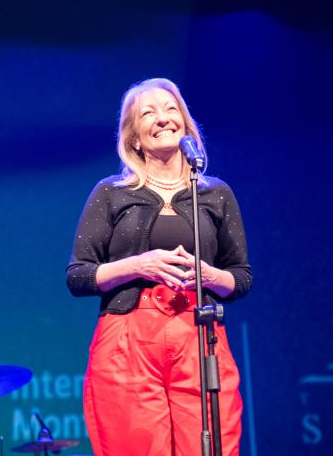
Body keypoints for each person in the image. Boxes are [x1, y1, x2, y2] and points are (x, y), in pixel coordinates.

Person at [66, 77, 253, 456]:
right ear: (134, 137)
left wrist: (210, 275)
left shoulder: (215, 193)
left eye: (171, 110)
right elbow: (79, 275)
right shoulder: (112, 192)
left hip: (199, 333)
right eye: (148, 112)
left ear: (185, 125)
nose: (163, 118)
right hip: (129, 335)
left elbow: (241, 277)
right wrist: (138, 264)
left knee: (210, 444)